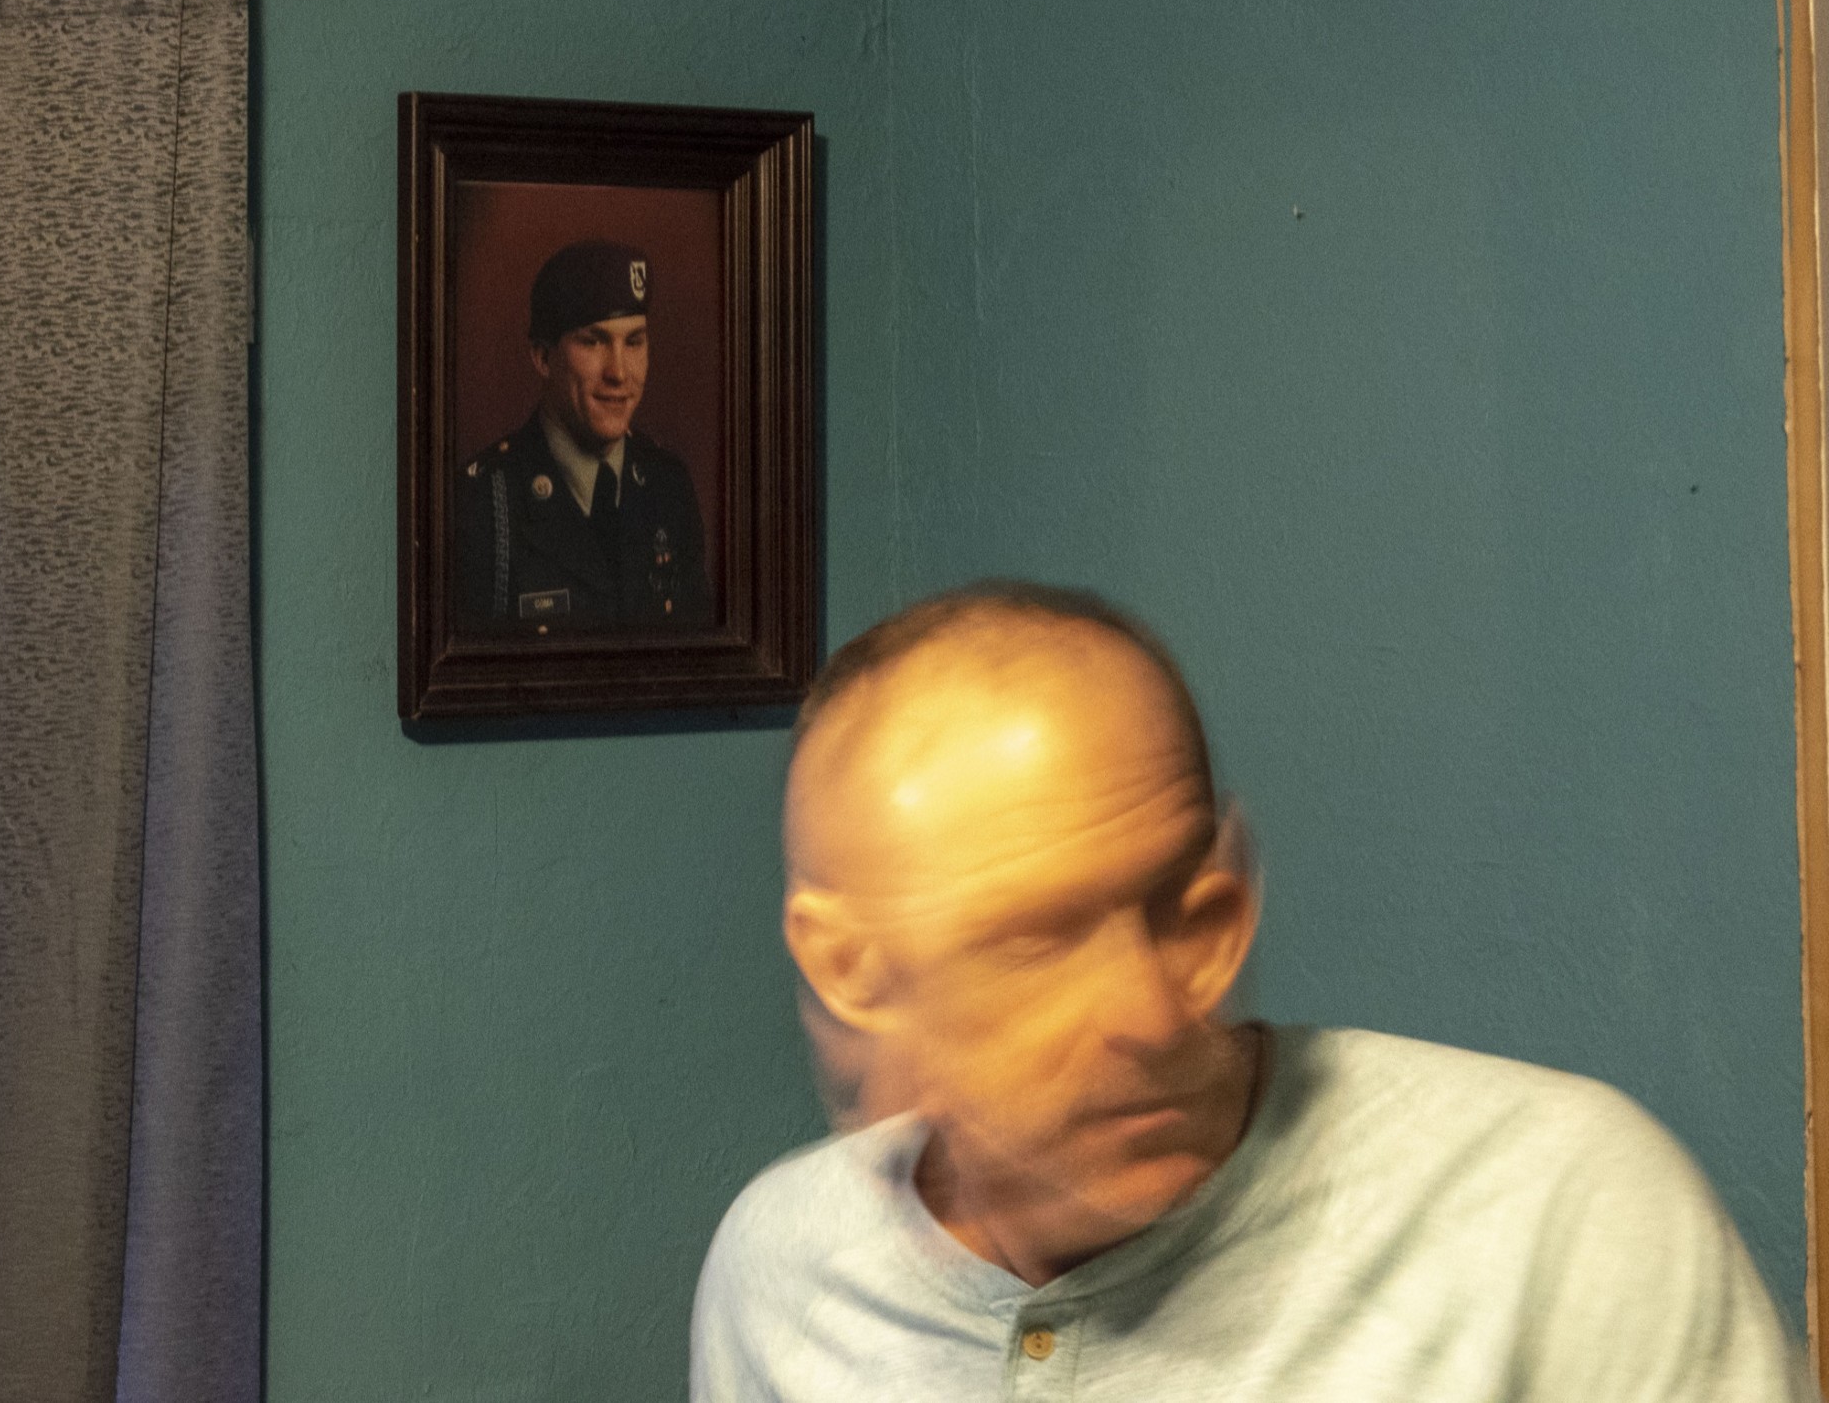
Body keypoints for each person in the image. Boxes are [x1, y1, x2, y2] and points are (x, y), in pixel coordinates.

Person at [692, 581, 1810, 1402]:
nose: (1152, 1013)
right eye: (1035, 943)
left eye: (1188, 912)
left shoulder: (1561, 1216)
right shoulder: (783, 1268)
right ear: (849, 969)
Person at [454, 239, 710, 635]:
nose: (619, 373)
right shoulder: (482, 502)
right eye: (593, 341)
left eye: (634, 341)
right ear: (543, 357)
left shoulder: (668, 486)